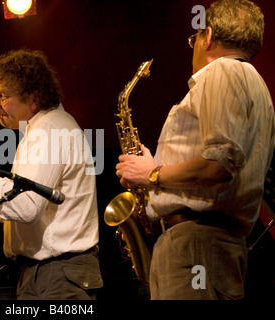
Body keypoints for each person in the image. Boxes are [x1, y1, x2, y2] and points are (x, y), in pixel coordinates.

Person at [115, 0, 274, 300]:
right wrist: (155, 165)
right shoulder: (258, 86)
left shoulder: (221, 72)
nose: (193, 48)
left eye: (194, 39)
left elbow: (220, 162)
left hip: (195, 245)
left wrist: (151, 173)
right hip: (214, 245)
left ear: (209, 36)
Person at [0, 49, 103, 300]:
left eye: (2, 96)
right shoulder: (39, 130)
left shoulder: (50, 130)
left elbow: (25, 207)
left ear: (34, 99)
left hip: (58, 274)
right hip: (42, 273)